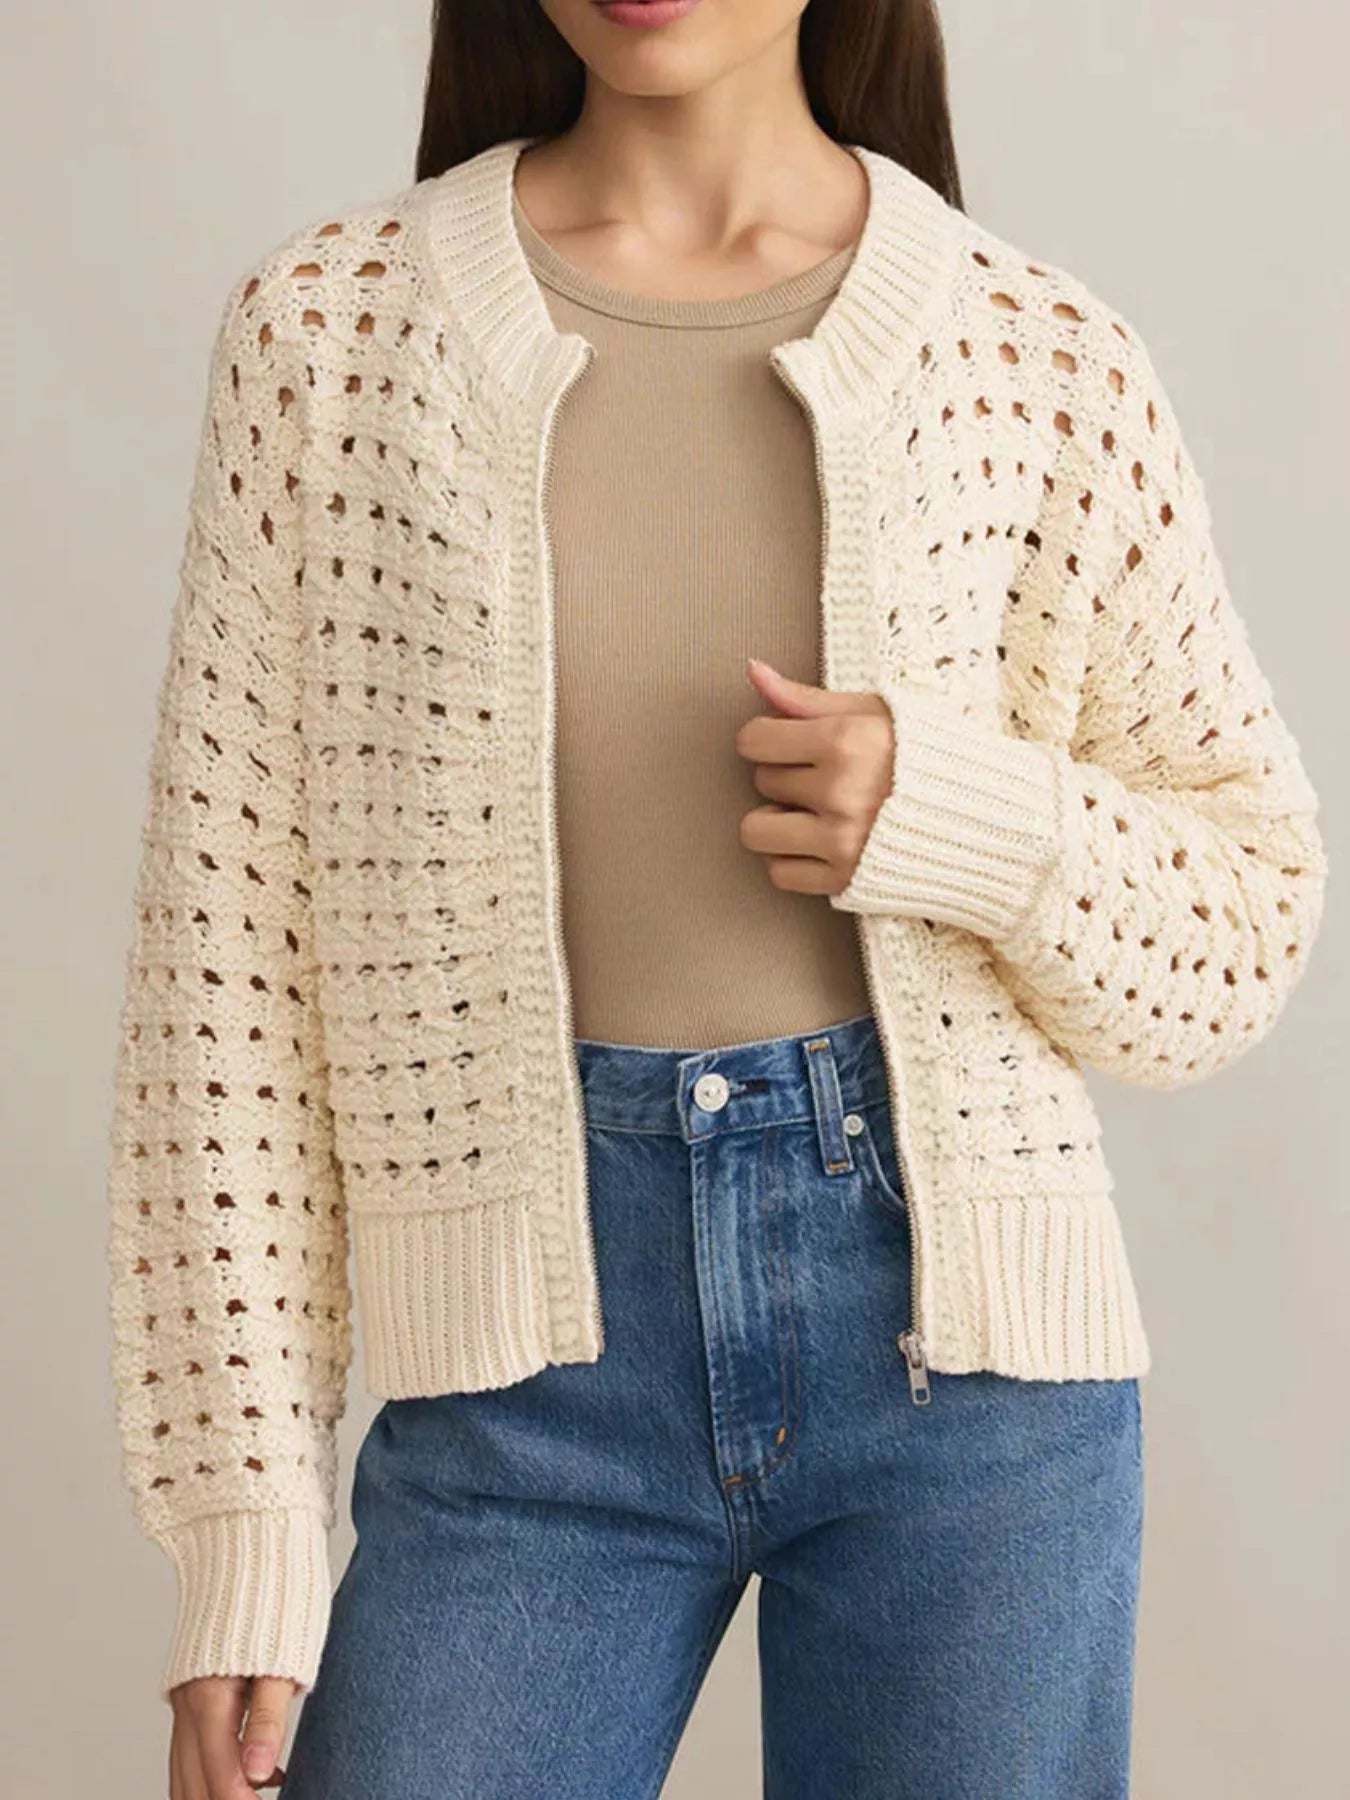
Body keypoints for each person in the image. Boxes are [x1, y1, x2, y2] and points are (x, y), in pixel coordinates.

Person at [104, 2, 1327, 1796]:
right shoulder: (333, 334)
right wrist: (244, 1539)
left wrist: (961, 814)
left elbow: (1243, 920)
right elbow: (225, 981)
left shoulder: (1034, 359)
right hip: (518, 1389)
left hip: (966, 1367)